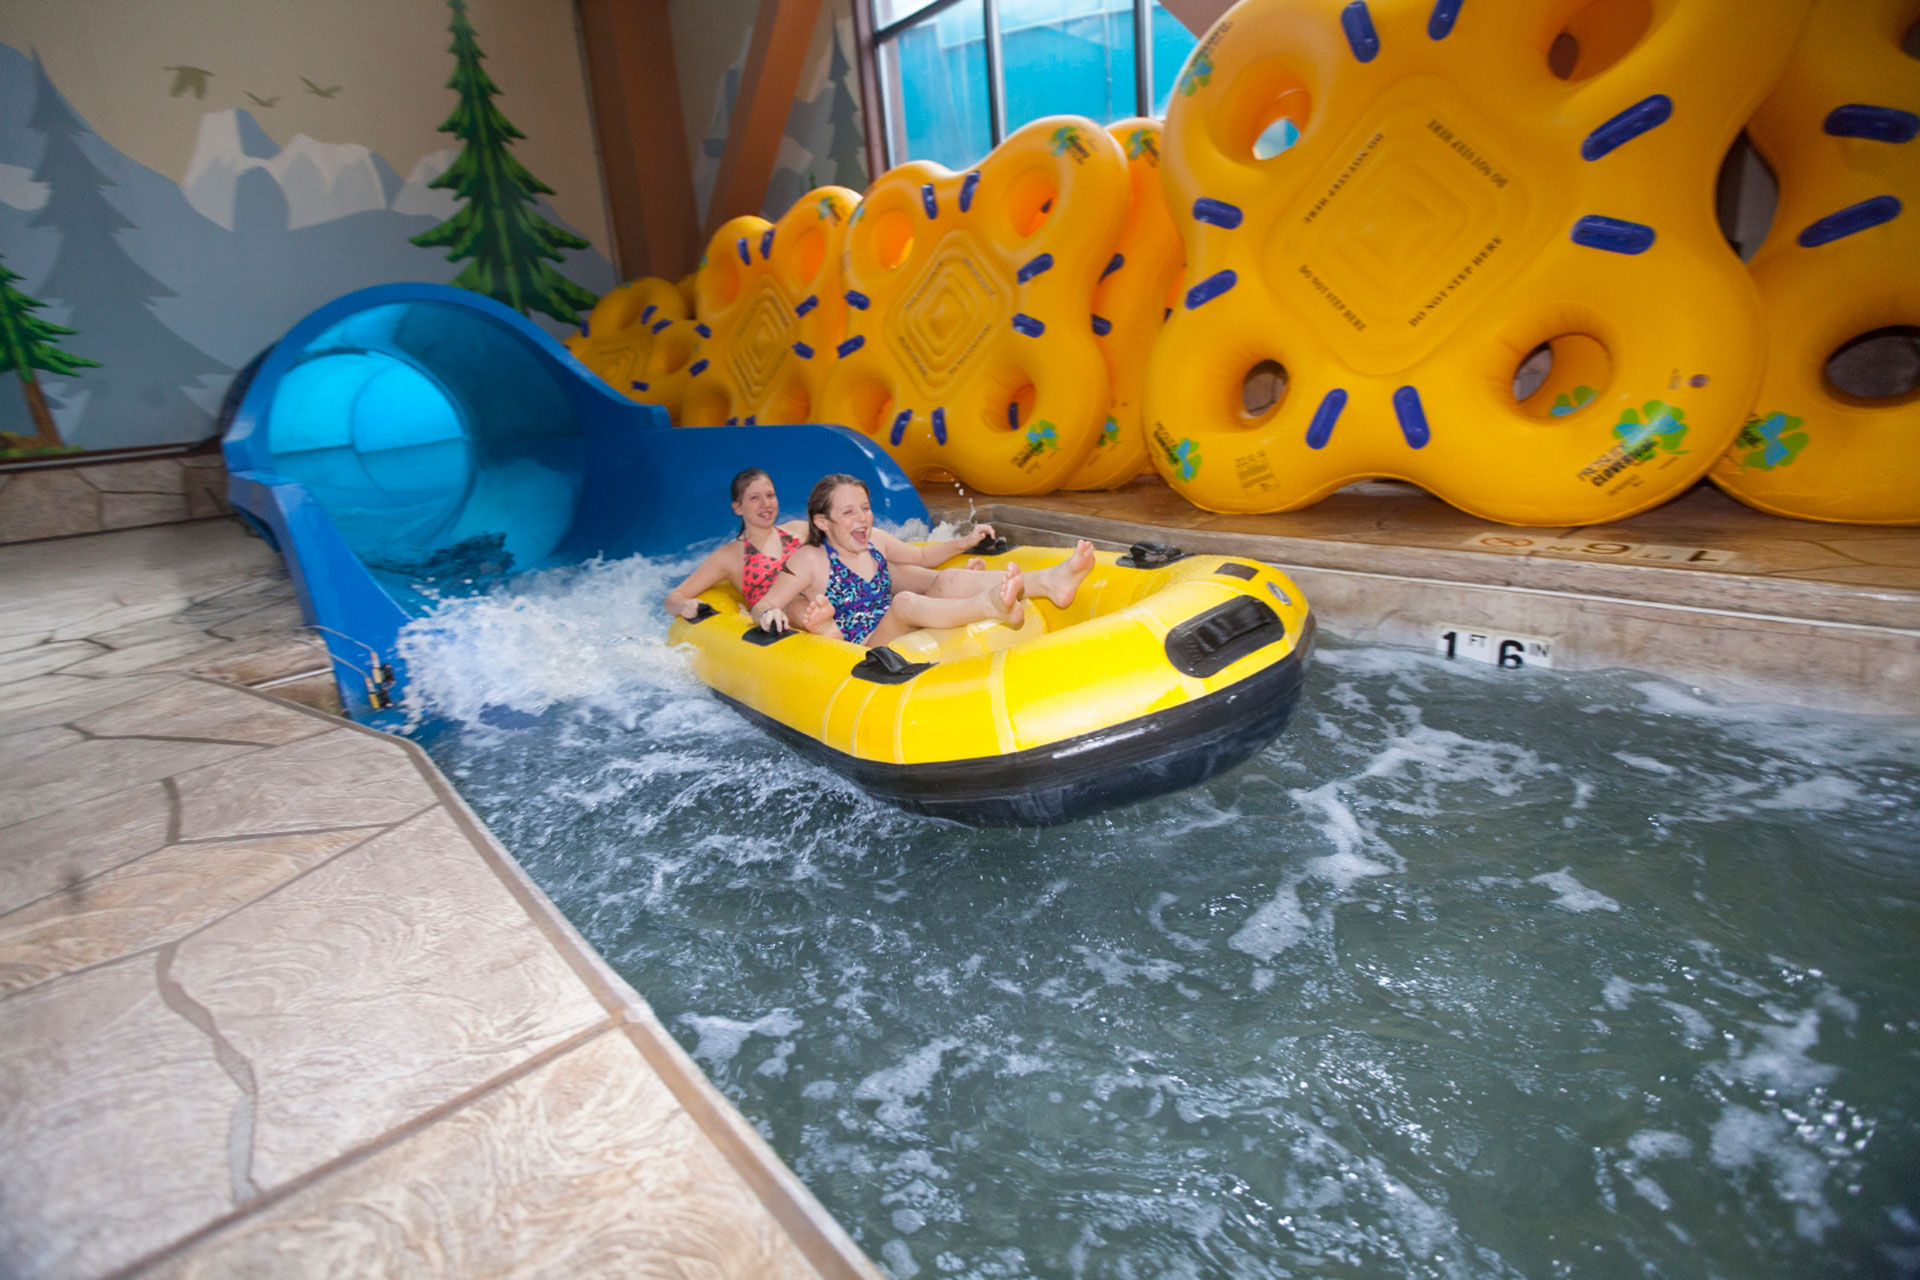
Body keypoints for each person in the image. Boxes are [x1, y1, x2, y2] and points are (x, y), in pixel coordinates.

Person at [752, 474, 1098, 648]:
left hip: (895, 626)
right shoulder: (809, 560)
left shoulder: (876, 542)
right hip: (862, 644)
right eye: (848, 512)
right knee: (903, 602)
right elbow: (764, 602)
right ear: (822, 522)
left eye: (866, 508)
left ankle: (1050, 581)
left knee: (946, 580)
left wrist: (965, 541)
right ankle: (990, 606)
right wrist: (770, 613)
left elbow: (921, 555)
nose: (862, 518)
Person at [663, 468, 812, 620]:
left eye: (770, 495)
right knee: (798, 608)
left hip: (820, 601)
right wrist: (684, 605)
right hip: (784, 616)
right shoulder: (729, 556)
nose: (766, 504)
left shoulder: (800, 530)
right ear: (738, 507)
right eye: (754, 498)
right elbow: (673, 598)